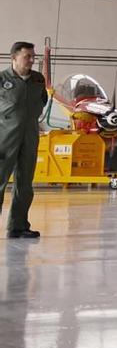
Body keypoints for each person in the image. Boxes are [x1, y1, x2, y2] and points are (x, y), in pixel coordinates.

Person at [1, 42, 49, 241]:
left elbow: (43, 100)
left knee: (25, 183)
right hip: (4, 137)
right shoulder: (2, 79)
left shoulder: (38, 79)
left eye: (33, 56)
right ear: (14, 57)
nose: (31, 60)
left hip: (29, 137)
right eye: (27, 56)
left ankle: (18, 227)